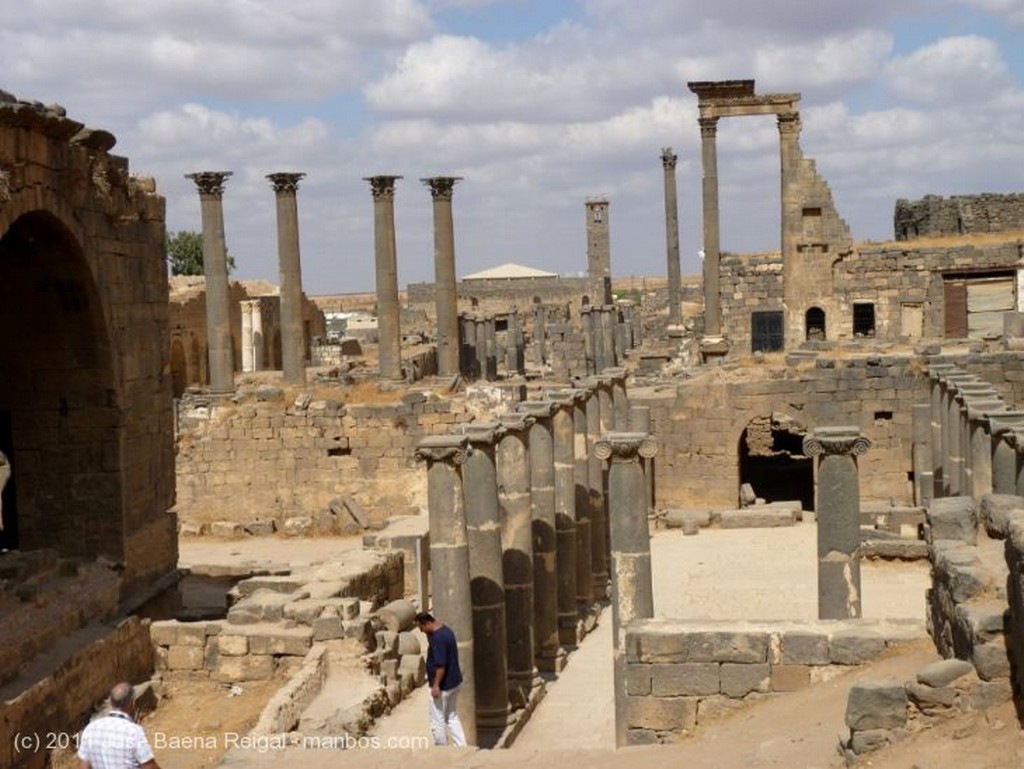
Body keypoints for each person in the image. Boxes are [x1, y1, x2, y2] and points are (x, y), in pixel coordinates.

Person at [78, 682, 161, 769]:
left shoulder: (91, 729)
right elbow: (150, 767)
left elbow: (84, 766)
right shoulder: (133, 731)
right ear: (132, 703)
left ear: (111, 703)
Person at [414, 611, 466, 746]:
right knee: (452, 716)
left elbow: (441, 665)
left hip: (442, 686)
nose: (421, 631)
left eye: (421, 628)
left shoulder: (438, 639)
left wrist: (436, 685)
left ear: (427, 623)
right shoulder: (446, 631)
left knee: (437, 719)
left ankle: (441, 750)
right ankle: (462, 746)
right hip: (454, 682)